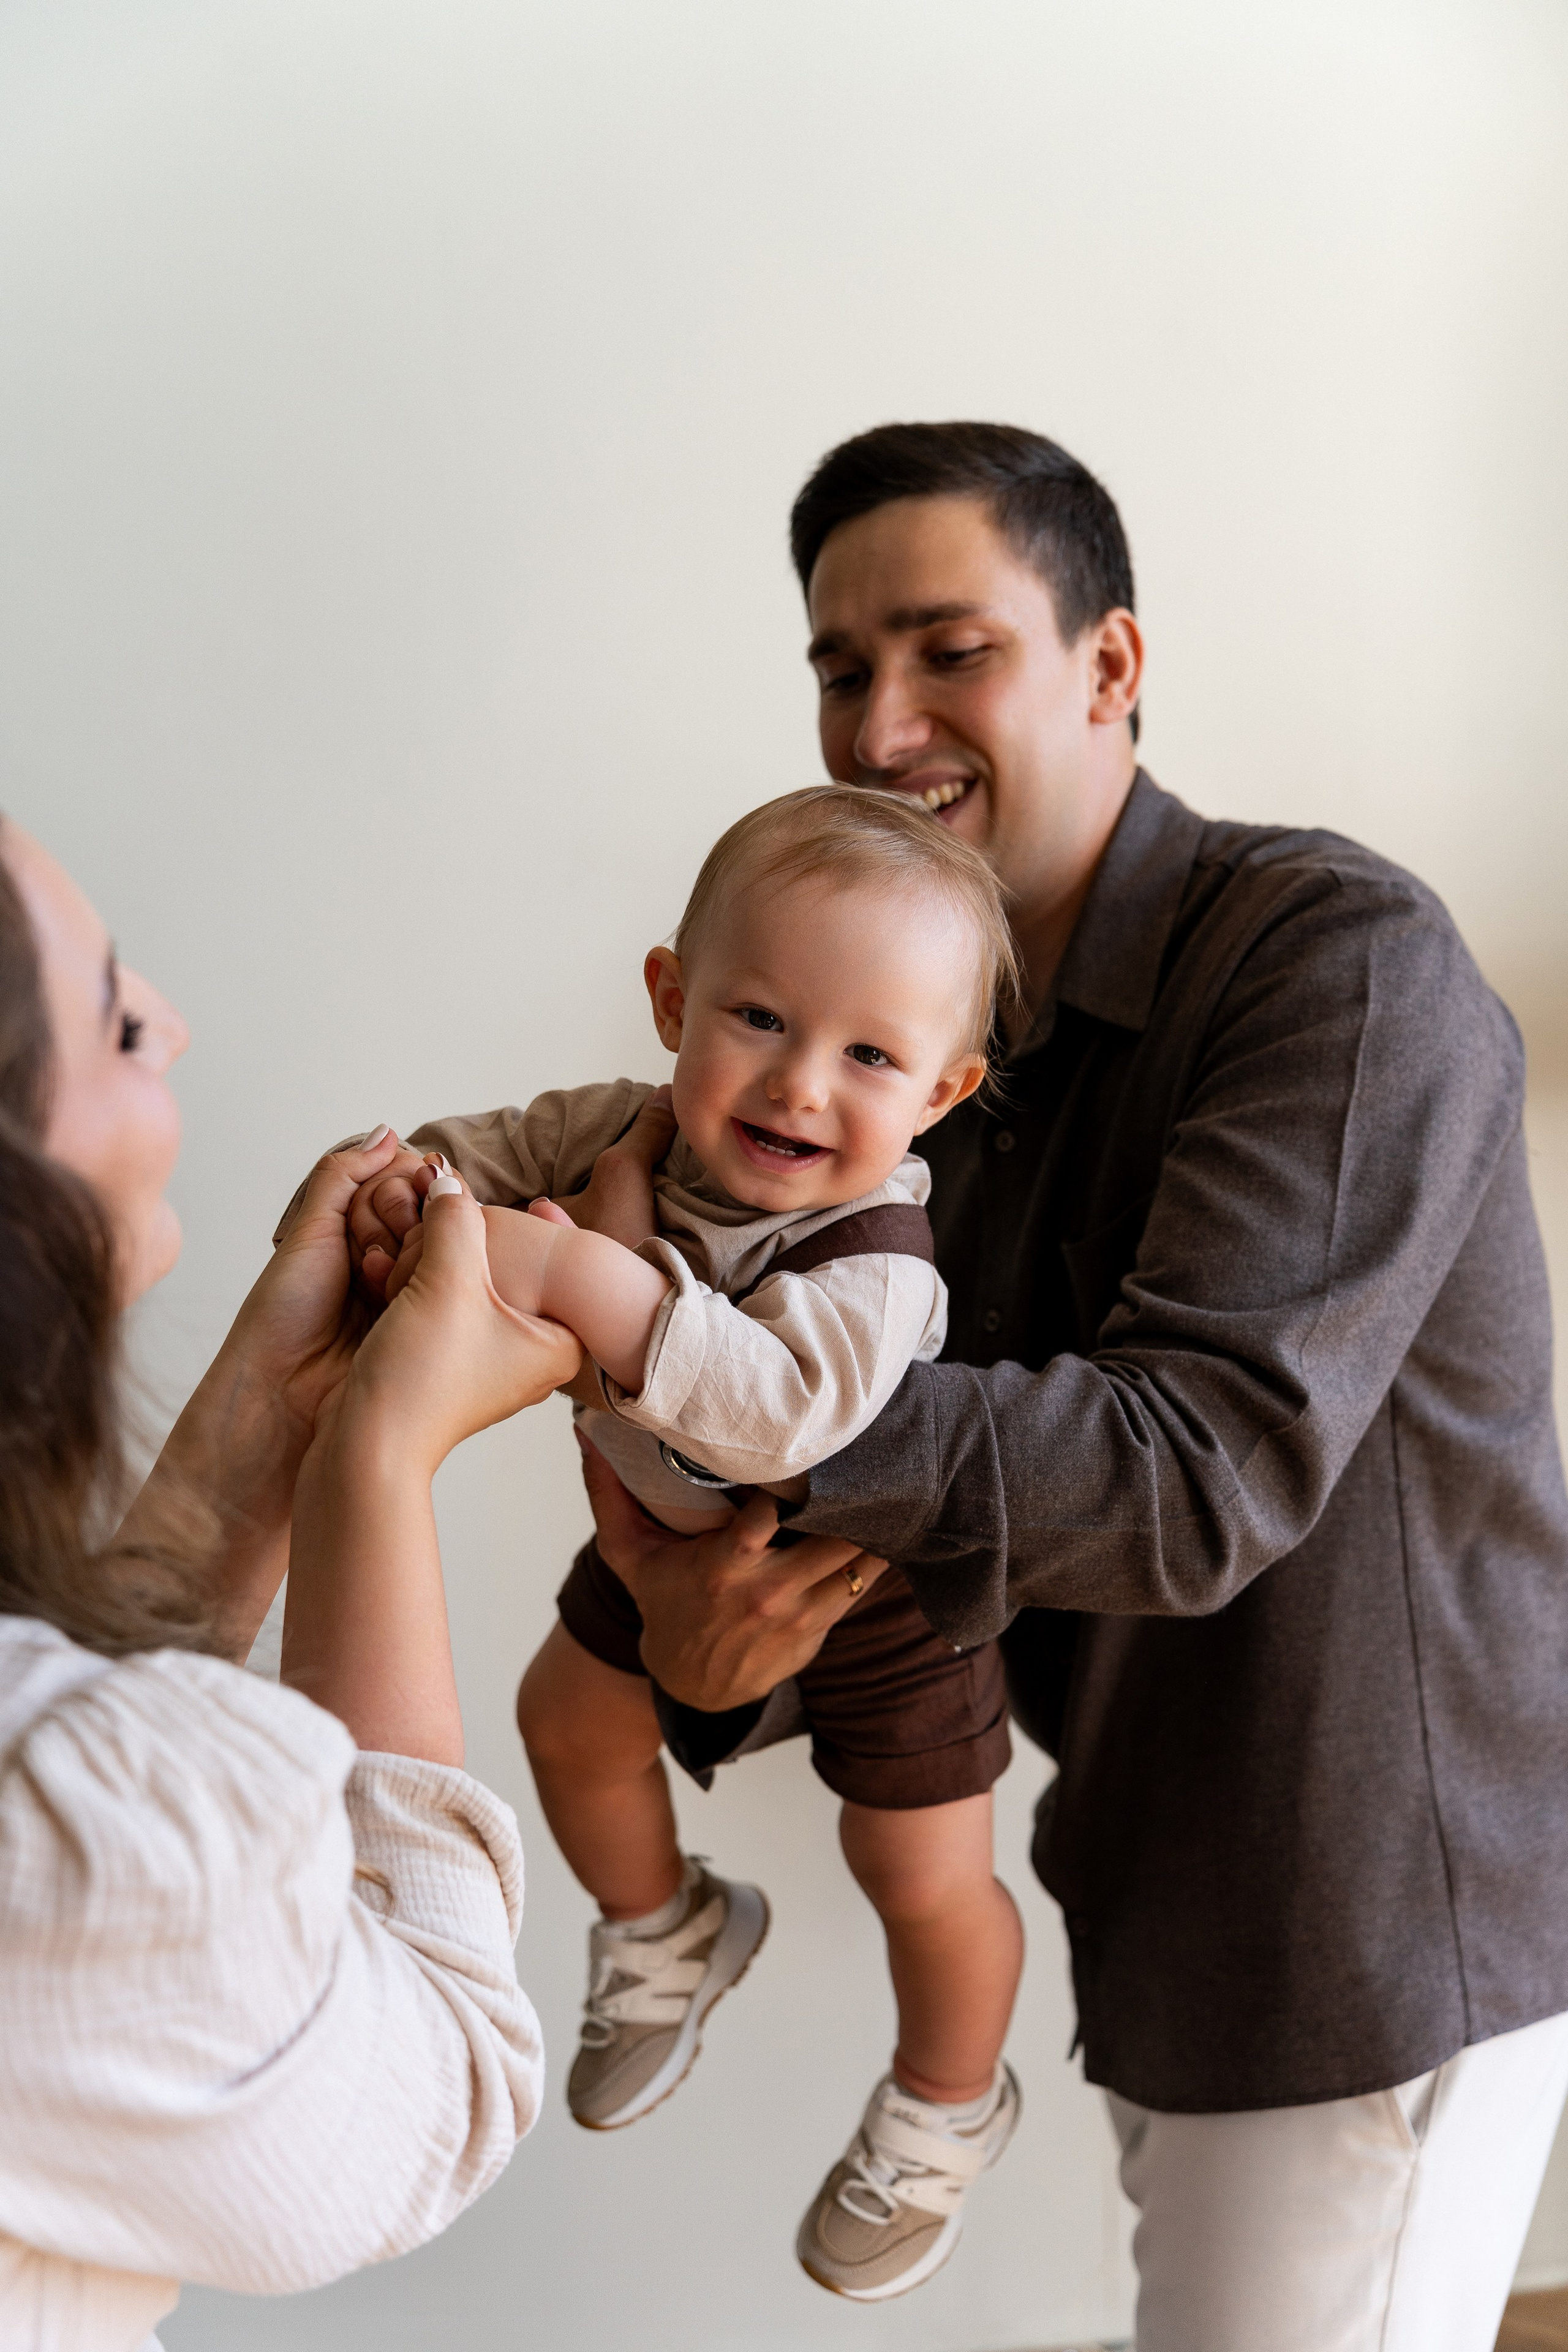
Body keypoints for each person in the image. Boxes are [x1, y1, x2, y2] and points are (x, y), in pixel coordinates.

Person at [559, 421, 1568, 2348]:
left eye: (951, 652)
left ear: (1111, 666)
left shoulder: (1337, 964)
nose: (881, 728)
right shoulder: (908, 1061)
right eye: (841, 669)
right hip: (1153, 1890)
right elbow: (915, 1493)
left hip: (1360, 1924)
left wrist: (675, 1364)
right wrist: (692, 1631)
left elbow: (1187, 1479)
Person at [332, 785, 1027, 2302]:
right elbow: (492, 1154)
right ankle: (669, 1923)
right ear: (672, 999)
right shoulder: (627, 1130)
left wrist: (585, 1276)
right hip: (661, 1536)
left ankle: (949, 2097)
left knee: (917, 1870)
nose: (798, 1084)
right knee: (560, 1723)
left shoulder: (878, 1258)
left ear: (944, 1090)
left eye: (869, 1056)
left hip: (878, 1589)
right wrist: (406, 1191)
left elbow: (776, 1416)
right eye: (758, 1018)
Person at [0, 816, 584, 2351]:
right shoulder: (59, 1835)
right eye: (119, 1023)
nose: (174, 1022)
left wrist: (282, 1411)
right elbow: (445, 2073)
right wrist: (378, 1462)